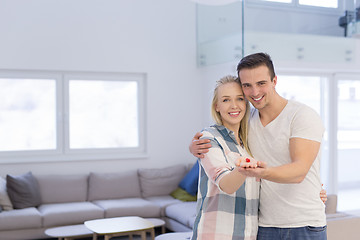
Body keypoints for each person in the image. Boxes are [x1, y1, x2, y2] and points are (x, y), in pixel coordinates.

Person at [190, 52, 327, 240]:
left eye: (261, 83)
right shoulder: (247, 123)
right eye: (247, 86)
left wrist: (260, 173)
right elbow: (221, 146)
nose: (255, 92)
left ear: (274, 81)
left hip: (302, 223)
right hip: (263, 226)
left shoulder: (302, 116)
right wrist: (193, 148)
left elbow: (299, 171)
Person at [192, 75, 264, 240]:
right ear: (217, 106)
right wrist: (246, 168)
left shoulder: (250, 144)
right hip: (215, 235)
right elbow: (226, 184)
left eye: (239, 98)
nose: (234, 106)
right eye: (226, 100)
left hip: (248, 235)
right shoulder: (208, 138)